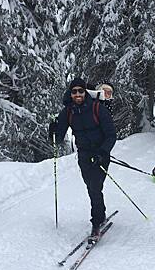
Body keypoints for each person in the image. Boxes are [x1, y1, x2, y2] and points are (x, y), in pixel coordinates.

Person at [49, 78, 116, 242]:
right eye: (74, 91)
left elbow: (111, 135)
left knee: (95, 186)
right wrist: (52, 130)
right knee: (92, 187)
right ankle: (100, 214)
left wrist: (102, 153)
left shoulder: (97, 108)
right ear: (70, 94)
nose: (77, 94)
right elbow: (58, 138)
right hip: (84, 155)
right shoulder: (68, 111)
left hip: (101, 153)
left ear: (85, 92)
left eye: (80, 91)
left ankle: (96, 222)